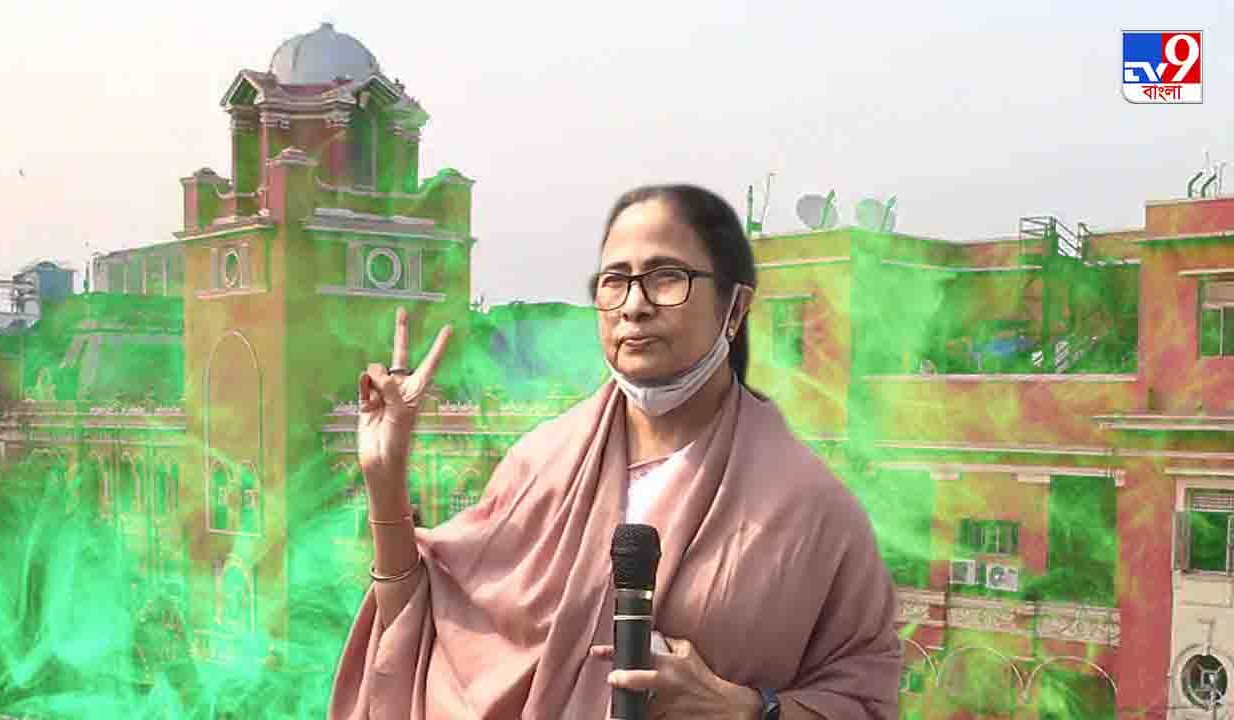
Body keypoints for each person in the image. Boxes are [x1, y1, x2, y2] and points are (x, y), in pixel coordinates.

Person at [329, 184, 902, 719]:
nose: (635, 305)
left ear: (735, 307)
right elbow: (427, 629)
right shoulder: (541, 466)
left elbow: (866, 694)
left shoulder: (809, 507)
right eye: (615, 281)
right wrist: (385, 477)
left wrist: (751, 708)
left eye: (666, 277)